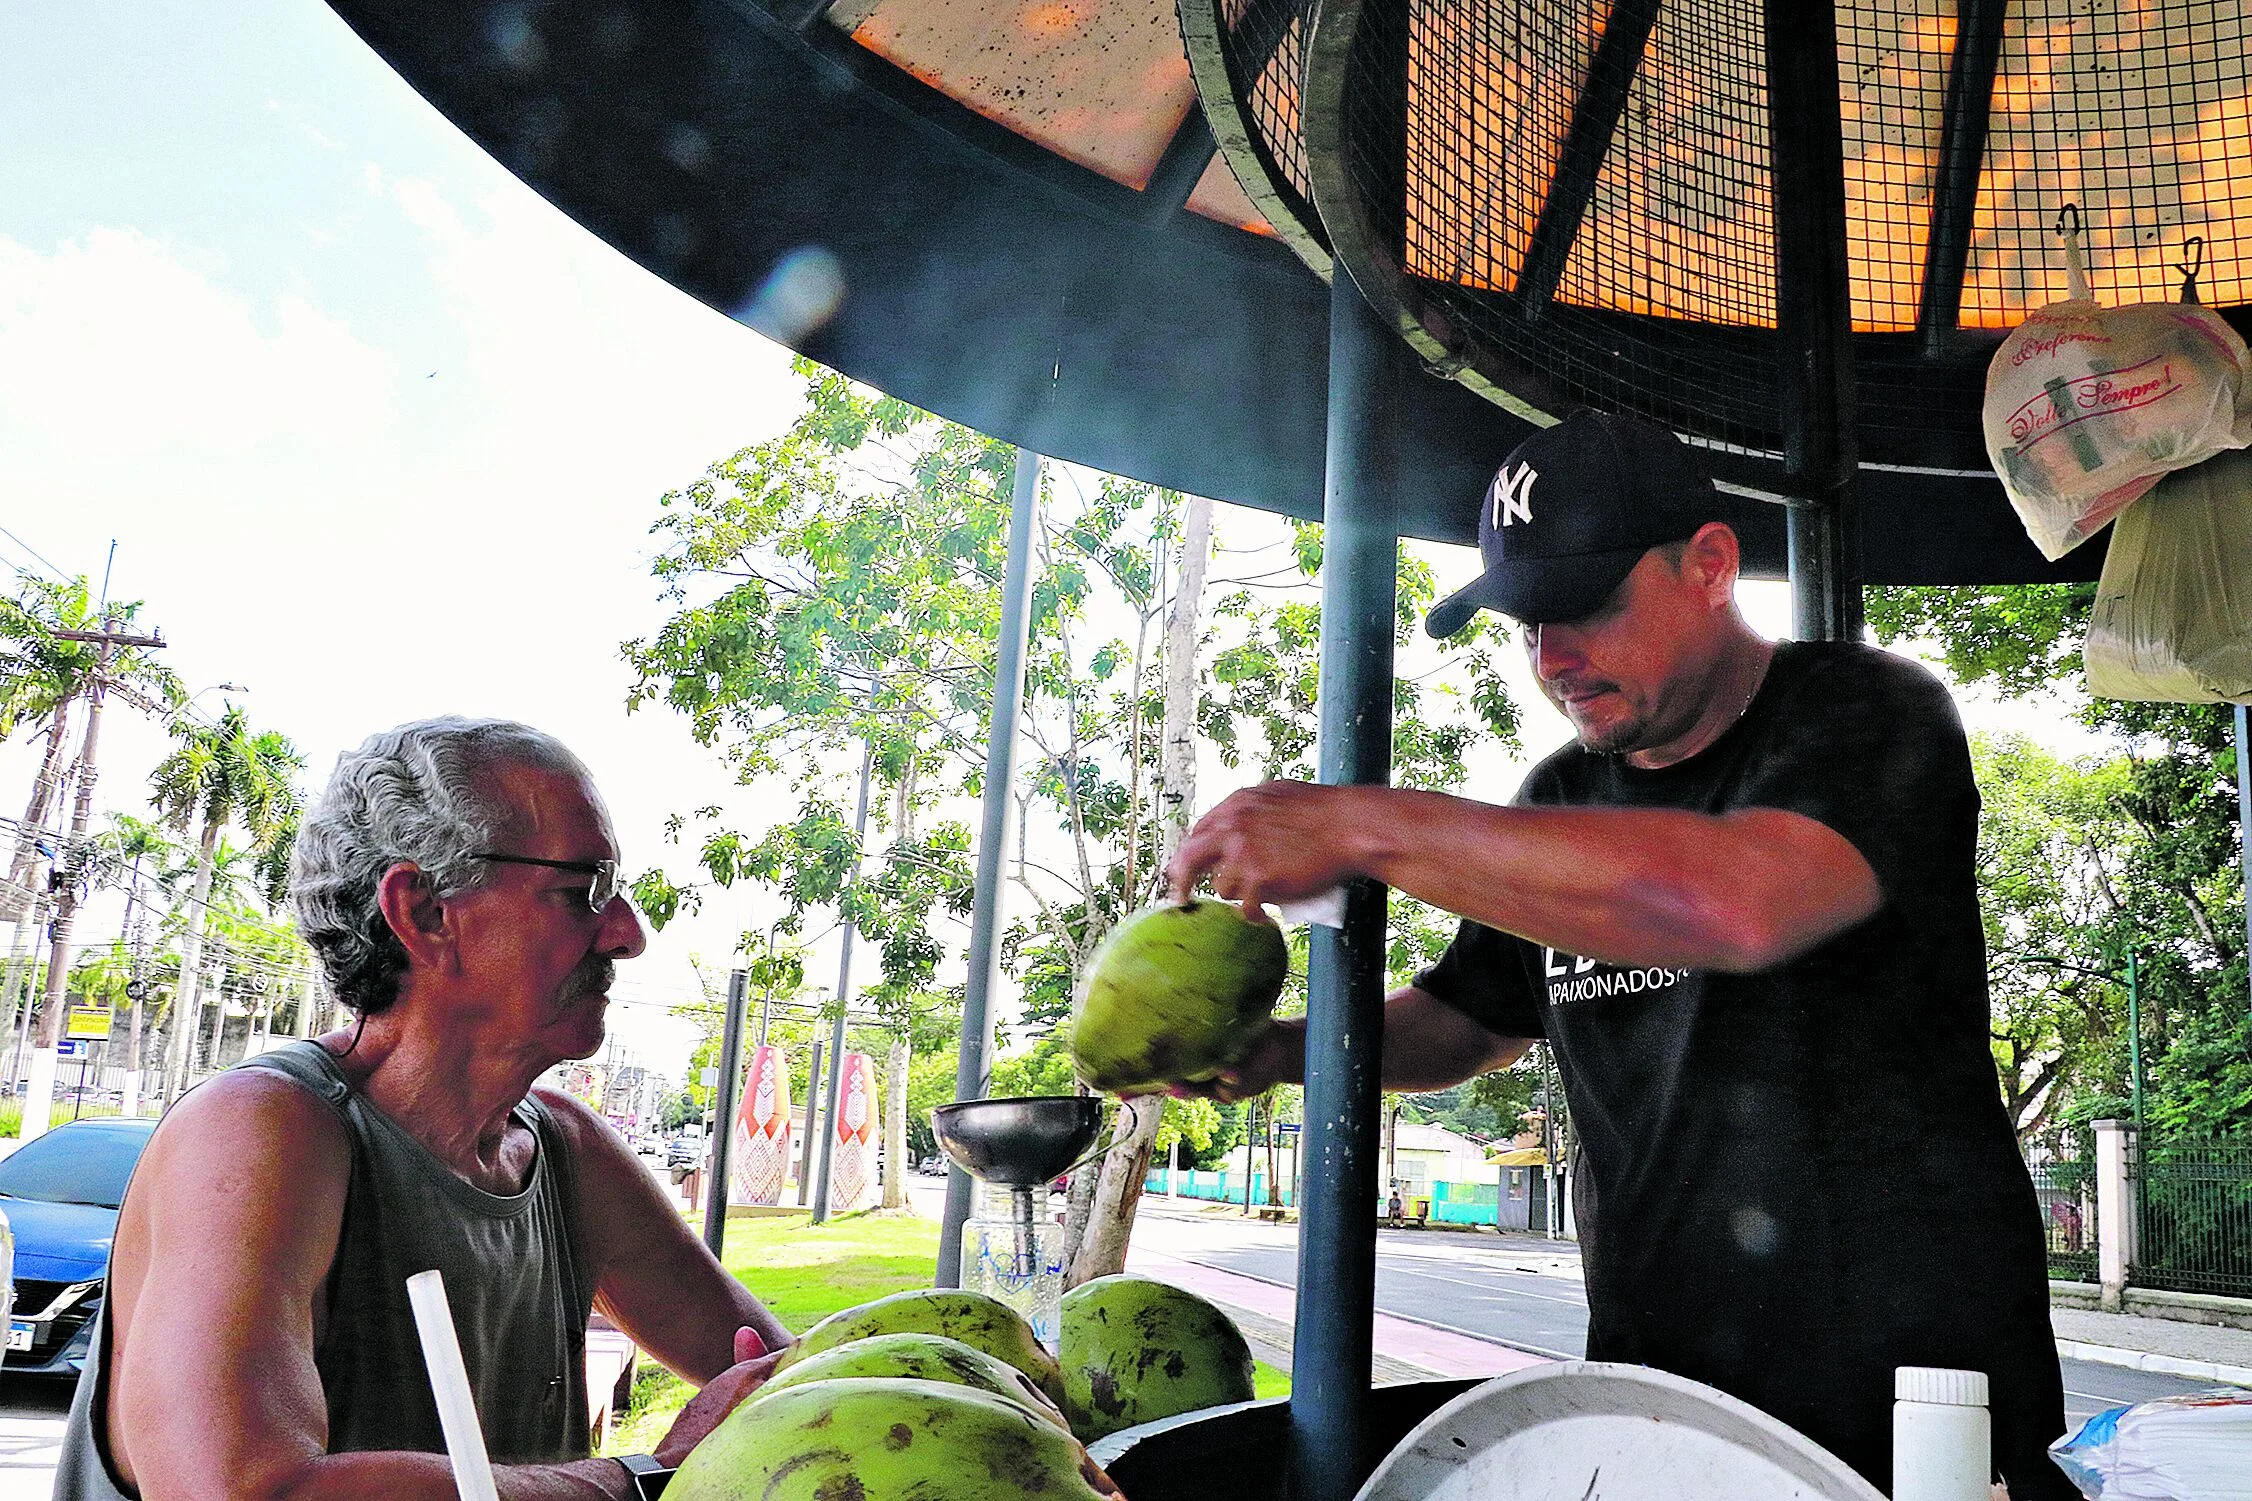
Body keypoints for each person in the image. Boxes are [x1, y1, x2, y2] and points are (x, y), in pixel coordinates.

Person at [1165, 412, 2073, 1499]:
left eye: (1585, 607)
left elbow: (1739, 901)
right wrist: (1276, 1051)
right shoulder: (1556, 802)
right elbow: (1468, 1019)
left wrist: (1364, 824)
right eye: (1524, 623)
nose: (1551, 658)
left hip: (1911, 1394)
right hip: (1654, 1391)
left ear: (1708, 565)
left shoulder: (1866, 708)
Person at [56, 718, 793, 1501]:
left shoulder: (563, 1150)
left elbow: (778, 1373)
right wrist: (630, 1483)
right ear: (426, 911)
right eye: (586, 891)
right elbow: (242, 1491)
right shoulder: (259, 1131)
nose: (627, 933)